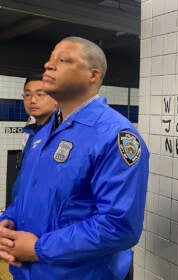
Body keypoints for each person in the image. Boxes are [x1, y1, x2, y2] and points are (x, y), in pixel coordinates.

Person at [0, 36, 149, 280]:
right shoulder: (44, 133)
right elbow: (27, 195)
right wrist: (6, 222)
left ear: (93, 75)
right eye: (49, 59)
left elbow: (119, 226)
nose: (48, 65)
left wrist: (38, 249)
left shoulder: (114, 135)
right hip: (30, 272)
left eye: (63, 60)